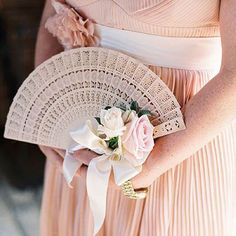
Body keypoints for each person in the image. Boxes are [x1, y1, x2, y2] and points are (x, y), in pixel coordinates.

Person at [35, 0, 236, 235]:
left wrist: (149, 168)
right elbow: (54, 9)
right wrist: (44, 103)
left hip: (177, 149)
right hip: (77, 134)